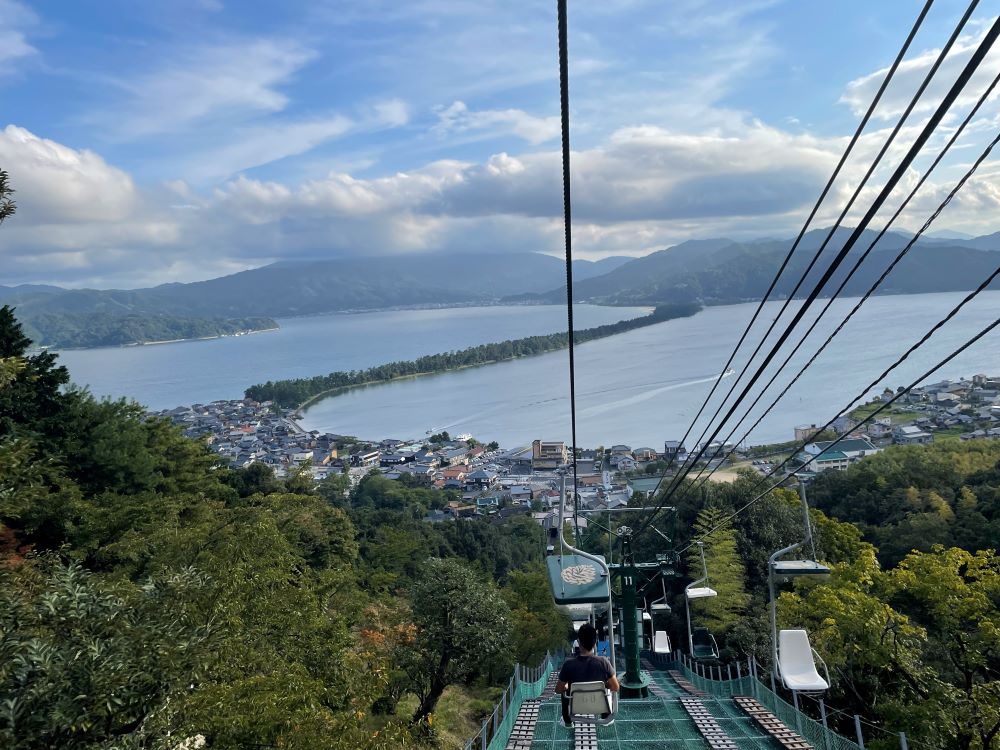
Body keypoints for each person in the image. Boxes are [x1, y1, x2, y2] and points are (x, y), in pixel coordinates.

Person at [556, 622, 620, 726]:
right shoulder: (603, 662)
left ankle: (567, 719)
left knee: (566, 690)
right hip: (599, 705)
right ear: (595, 643)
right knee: (607, 687)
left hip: (576, 706)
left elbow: (558, 689)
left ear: (579, 642)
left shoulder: (568, 665)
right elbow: (615, 687)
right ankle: (606, 715)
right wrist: (606, 684)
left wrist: (567, 686)